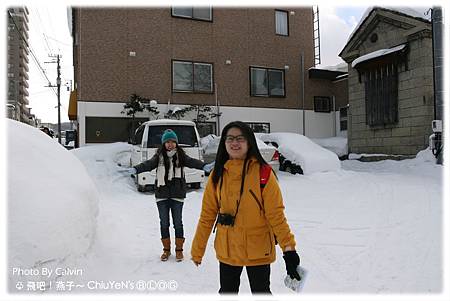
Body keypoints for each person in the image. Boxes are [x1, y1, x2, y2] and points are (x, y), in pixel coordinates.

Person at [190, 121, 301, 294]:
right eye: (230, 139)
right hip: (228, 248)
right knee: (227, 292)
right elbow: (207, 215)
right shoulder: (217, 175)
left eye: (240, 138)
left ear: (249, 142)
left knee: (261, 292)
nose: (235, 143)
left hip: (258, 249)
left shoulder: (263, 173)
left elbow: (276, 215)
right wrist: (198, 249)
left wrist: (289, 249)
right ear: (224, 143)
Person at [129, 129, 214, 262]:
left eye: (172, 142)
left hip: (177, 194)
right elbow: (149, 164)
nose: (170, 144)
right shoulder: (159, 156)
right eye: (167, 142)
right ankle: (166, 250)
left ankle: (179, 251)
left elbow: (192, 162)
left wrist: (204, 166)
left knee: (178, 224)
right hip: (162, 195)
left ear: (176, 143)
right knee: (164, 223)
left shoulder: (181, 156)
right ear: (163, 144)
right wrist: (136, 169)